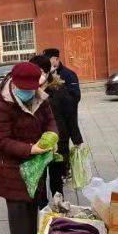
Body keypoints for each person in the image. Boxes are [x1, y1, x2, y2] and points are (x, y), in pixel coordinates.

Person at [0, 62, 57, 234]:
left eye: (31, 89)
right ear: (14, 84)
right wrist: (31, 149)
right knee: (20, 219)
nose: (28, 93)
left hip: (35, 168)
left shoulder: (40, 98)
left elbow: (50, 120)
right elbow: (2, 140)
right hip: (10, 169)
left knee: (32, 211)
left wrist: (52, 136)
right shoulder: (0, 106)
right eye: (24, 89)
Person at [29, 55, 83, 197]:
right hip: (38, 144)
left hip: (59, 143)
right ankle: (42, 208)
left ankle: (58, 204)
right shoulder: (29, 93)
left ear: (47, 73)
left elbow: (71, 117)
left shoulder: (60, 91)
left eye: (39, 72)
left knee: (56, 178)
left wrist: (77, 140)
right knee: (39, 178)